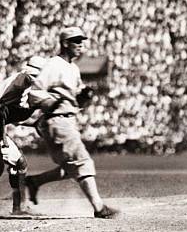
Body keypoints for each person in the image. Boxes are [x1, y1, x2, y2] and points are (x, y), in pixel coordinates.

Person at [26, 27, 119, 219]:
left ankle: (34, 182)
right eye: (76, 41)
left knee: (71, 167)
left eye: (82, 41)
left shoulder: (74, 68)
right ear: (65, 43)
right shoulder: (53, 64)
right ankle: (99, 207)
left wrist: (84, 96)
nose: (81, 45)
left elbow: (76, 97)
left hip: (67, 120)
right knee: (83, 161)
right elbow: (35, 92)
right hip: (57, 119)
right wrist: (50, 101)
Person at [0, 56, 48, 219]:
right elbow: (0, 111)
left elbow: (9, 114)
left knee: (19, 163)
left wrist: (31, 124)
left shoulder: (22, 88)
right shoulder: (23, 80)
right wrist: (3, 139)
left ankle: (19, 207)